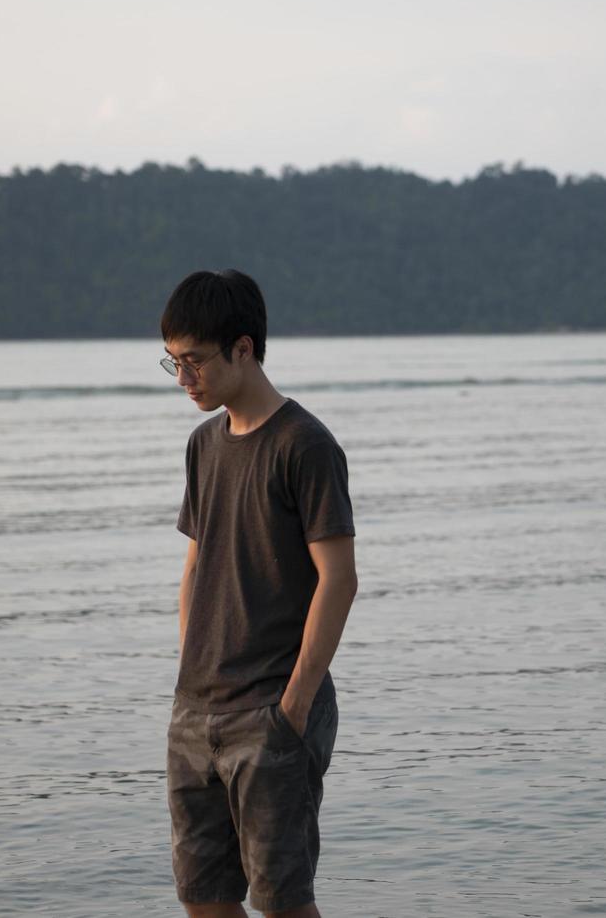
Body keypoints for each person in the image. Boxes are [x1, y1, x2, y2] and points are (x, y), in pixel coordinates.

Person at [160, 270, 358, 917]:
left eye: (195, 362)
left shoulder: (305, 445)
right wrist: (190, 671)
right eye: (174, 363)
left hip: (272, 709)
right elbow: (197, 566)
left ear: (243, 348)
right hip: (197, 710)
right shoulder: (202, 446)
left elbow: (340, 578)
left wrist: (294, 708)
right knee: (204, 898)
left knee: (282, 904)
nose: (185, 378)